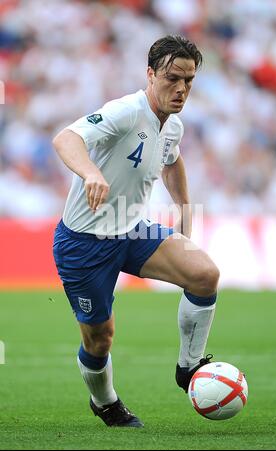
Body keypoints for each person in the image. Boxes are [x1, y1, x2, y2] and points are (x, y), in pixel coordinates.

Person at [52, 35, 219, 428]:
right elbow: (66, 138)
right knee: (100, 339)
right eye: (172, 78)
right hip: (84, 243)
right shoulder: (127, 111)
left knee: (204, 274)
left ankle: (189, 366)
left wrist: (183, 207)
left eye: (189, 81)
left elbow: (171, 161)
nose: (180, 89)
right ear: (150, 74)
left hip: (129, 229)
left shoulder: (172, 125)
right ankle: (105, 401)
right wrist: (91, 172)